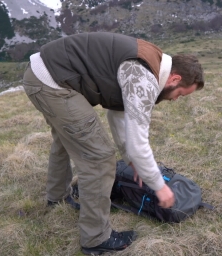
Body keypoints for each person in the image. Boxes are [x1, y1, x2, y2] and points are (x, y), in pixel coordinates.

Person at [22, 32, 204, 255]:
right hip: (53, 84)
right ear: (175, 79)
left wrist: (131, 161)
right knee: (100, 158)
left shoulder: (151, 60)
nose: (176, 100)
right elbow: (138, 142)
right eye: (181, 95)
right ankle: (96, 238)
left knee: (67, 137)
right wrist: (159, 186)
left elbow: (118, 116)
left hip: (45, 74)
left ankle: (57, 197)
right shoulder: (144, 78)